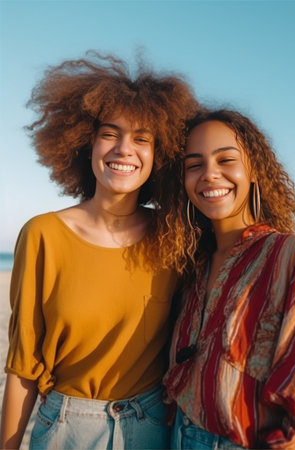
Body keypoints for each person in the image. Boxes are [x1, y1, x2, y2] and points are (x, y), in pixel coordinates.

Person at [0, 52, 199, 449]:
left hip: (153, 428)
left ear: (160, 154)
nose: (125, 149)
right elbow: (23, 362)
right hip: (64, 428)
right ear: (85, 142)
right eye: (110, 133)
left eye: (142, 138)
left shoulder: (174, 235)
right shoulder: (43, 234)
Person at [163, 109, 295, 449]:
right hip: (175, 435)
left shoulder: (291, 255)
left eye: (226, 160)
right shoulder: (191, 264)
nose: (210, 174)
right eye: (194, 164)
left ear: (254, 169)